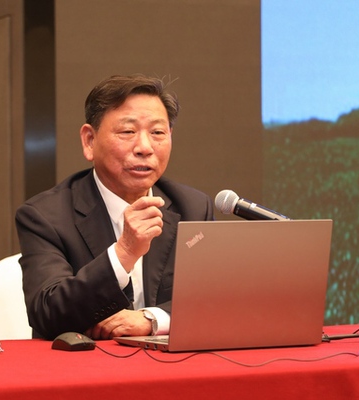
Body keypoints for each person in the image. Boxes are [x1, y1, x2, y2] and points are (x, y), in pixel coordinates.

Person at [15, 74, 214, 341]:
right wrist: (124, 253)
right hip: (86, 363)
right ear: (89, 141)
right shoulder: (44, 216)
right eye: (127, 132)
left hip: (171, 363)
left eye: (157, 133)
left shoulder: (192, 207)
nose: (145, 147)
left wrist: (152, 319)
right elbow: (48, 314)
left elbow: (214, 297)